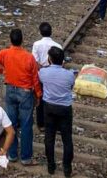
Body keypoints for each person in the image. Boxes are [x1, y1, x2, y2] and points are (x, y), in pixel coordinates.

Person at [0, 29, 41, 165]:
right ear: (22, 40)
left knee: (11, 124)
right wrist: (38, 95)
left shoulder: (5, 53)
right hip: (26, 93)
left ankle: (12, 155)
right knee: (26, 125)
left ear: (10, 40)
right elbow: (35, 79)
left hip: (10, 90)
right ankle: (26, 158)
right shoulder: (29, 57)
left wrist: (1, 71)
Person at [39, 47, 75, 177]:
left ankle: (51, 166)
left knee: (49, 138)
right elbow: (71, 87)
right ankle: (67, 168)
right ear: (63, 60)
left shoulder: (43, 72)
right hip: (64, 108)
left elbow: (41, 82)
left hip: (49, 107)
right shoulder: (70, 74)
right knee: (67, 138)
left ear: (49, 59)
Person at [31, 21, 62, 130]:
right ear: (51, 32)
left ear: (40, 32)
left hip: (41, 74)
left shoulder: (36, 44)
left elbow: (34, 62)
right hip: (54, 75)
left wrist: (43, 69)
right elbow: (60, 63)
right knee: (54, 98)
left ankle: (41, 124)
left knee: (40, 97)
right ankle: (54, 123)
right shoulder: (58, 46)